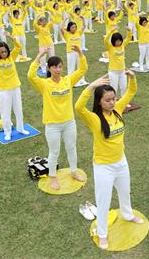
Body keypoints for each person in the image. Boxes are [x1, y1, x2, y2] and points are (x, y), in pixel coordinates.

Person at [75, 71, 143, 250]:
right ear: (99, 102)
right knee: (104, 201)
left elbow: (130, 93)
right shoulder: (94, 118)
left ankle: (127, 214)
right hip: (103, 167)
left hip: (121, 162)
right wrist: (91, 86)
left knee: (125, 192)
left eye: (113, 99)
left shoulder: (117, 110)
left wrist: (132, 78)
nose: (112, 102)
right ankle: (102, 233)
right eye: (107, 100)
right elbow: (78, 107)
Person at [28, 45, 88, 190]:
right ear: (49, 69)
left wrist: (80, 53)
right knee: (54, 151)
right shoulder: (45, 84)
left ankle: (73, 171)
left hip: (69, 122)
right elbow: (31, 75)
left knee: (71, 147)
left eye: (60, 66)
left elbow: (82, 69)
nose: (58, 69)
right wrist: (40, 55)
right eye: (55, 67)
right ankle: (53, 177)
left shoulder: (68, 80)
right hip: (52, 124)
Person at [60, 19, 88, 87]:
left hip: (79, 52)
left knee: (80, 66)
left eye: (75, 27)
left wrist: (83, 19)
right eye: (72, 27)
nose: (74, 28)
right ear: (69, 28)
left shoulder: (78, 32)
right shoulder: (66, 34)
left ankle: (82, 80)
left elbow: (84, 26)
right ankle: (72, 82)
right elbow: (60, 28)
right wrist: (64, 20)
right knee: (71, 68)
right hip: (71, 52)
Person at [104, 28, 131, 97]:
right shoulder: (110, 47)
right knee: (114, 89)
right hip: (113, 72)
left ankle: (123, 101)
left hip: (122, 71)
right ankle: (114, 102)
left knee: (124, 87)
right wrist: (110, 31)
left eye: (120, 41)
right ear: (113, 41)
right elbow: (106, 40)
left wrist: (129, 31)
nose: (119, 42)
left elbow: (128, 38)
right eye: (117, 41)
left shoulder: (122, 45)